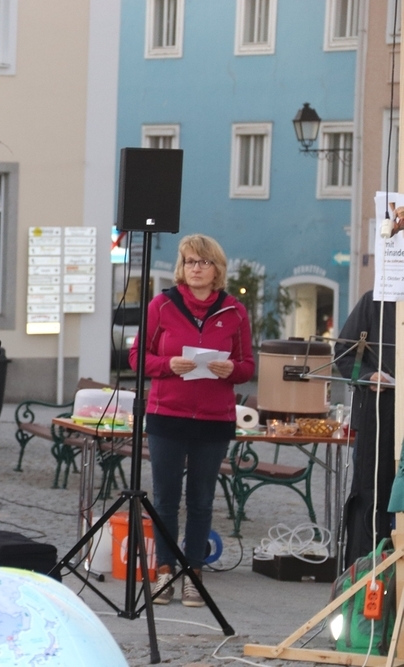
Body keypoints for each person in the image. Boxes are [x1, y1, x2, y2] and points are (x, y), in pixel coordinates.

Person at [129, 233, 254, 607]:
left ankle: (193, 573)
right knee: (165, 499)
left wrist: (232, 369)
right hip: (167, 415)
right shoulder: (162, 305)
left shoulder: (234, 311)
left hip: (213, 420)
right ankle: (165, 572)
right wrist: (168, 364)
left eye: (203, 262)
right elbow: (137, 358)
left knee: (201, 500)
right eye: (189, 262)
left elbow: (248, 366)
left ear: (217, 269)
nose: (195, 268)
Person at [334, 290, 396, 566]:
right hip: (377, 415)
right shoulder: (375, 301)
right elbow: (345, 355)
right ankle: (363, 571)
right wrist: (367, 375)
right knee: (371, 496)